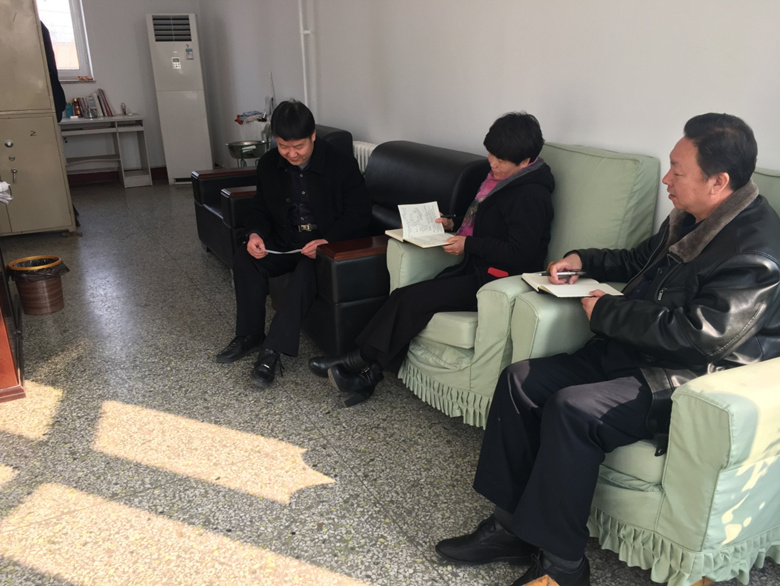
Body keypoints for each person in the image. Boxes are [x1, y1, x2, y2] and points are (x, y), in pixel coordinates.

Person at [434, 113, 780, 586]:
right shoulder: (693, 217)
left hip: (684, 379)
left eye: (677, 171)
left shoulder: (755, 251)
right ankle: (511, 528)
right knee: (519, 382)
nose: (667, 179)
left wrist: (609, 313)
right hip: (637, 350)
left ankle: (563, 566)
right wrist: (584, 260)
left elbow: (703, 335)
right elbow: (639, 260)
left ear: (718, 182)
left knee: (574, 409)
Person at [308, 112, 555, 406]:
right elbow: (489, 223)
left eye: (501, 160)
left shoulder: (530, 196)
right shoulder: (500, 181)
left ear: (525, 162)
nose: (492, 163)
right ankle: (367, 376)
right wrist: (453, 223)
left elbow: (521, 253)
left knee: (411, 300)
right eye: (491, 154)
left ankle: (353, 362)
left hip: (498, 281)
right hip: (477, 269)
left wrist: (469, 244)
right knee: (408, 300)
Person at [216, 100, 370, 387]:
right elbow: (260, 208)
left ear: (313, 136)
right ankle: (249, 335)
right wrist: (255, 234)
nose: (291, 153)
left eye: (298, 146)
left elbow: (359, 214)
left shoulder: (341, 164)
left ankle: (272, 351)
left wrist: (328, 240)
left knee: (305, 273)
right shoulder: (269, 164)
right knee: (246, 259)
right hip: (285, 241)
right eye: (284, 146)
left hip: (324, 247)